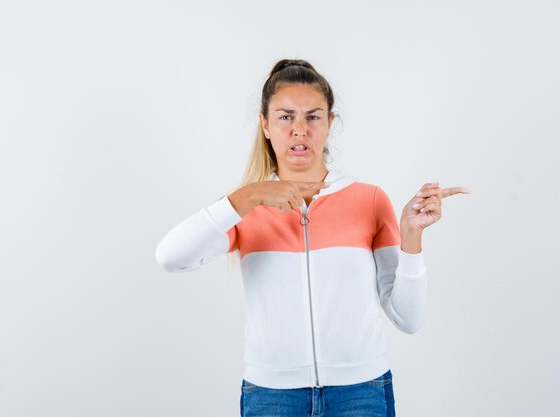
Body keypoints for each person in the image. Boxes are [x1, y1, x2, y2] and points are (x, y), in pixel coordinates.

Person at [155, 58, 470, 417]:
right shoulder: (244, 207)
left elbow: (408, 319)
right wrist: (245, 198)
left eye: (313, 117)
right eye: (286, 117)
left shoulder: (368, 199)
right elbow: (170, 257)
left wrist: (412, 235)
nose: (300, 130)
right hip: (271, 396)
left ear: (330, 122)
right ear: (265, 125)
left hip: (361, 392)